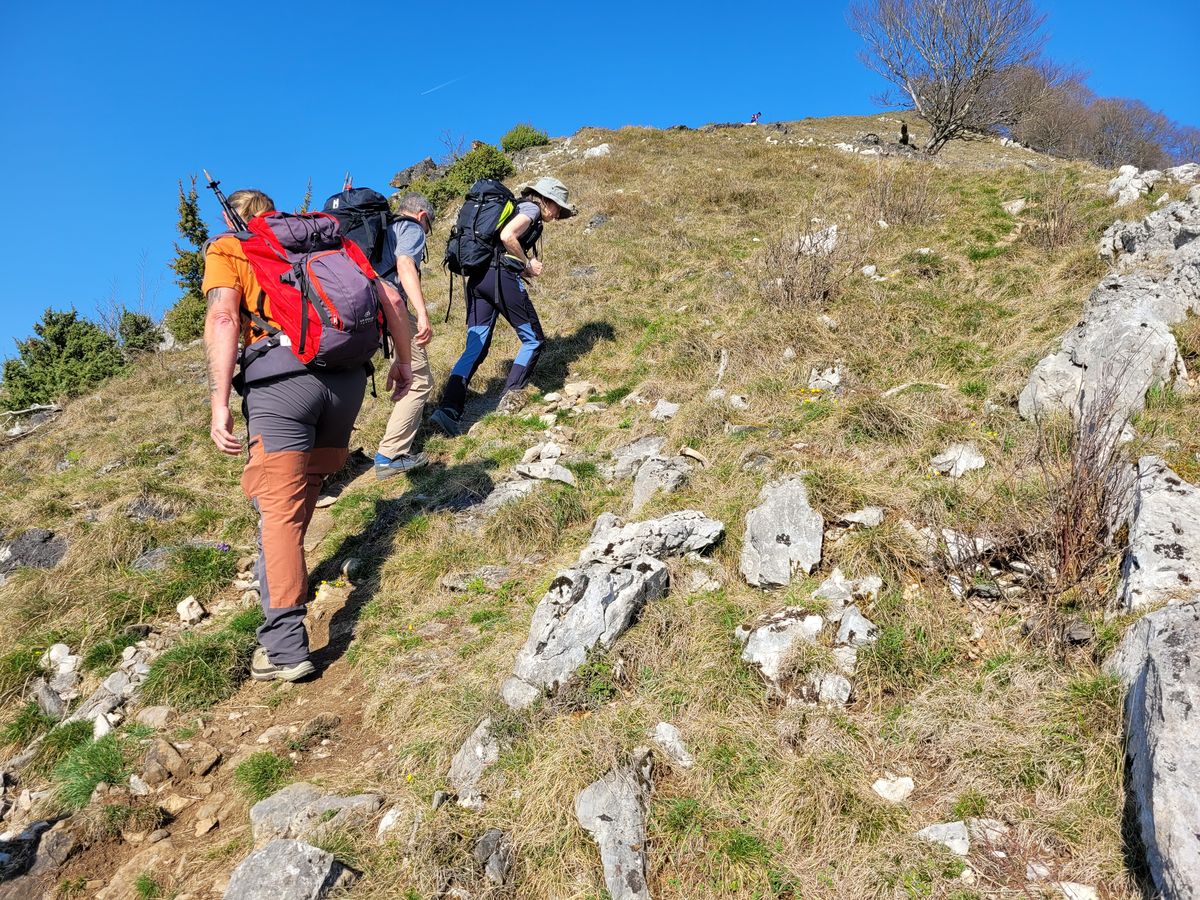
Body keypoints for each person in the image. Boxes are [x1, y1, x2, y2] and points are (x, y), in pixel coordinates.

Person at [203, 189, 413, 682]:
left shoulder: (230, 246)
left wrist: (219, 403)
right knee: (298, 498)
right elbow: (391, 297)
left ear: (234, 217)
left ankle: (283, 648)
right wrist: (403, 361)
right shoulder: (329, 239)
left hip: (281, 384)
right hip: (346, 382)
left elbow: (223, 316)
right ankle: (283, 578)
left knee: (277, 512)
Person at [430, 176, 577, 435]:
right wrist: (527, 264)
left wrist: (521, 267)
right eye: (557, 208)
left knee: (476, 346)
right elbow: (507, 236)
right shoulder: (531, 209)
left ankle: (448, 409)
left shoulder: (514, 208)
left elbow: (500, 242)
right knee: (534, 340)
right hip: (499, 278)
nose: (557, 215)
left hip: (477, 280)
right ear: (546, 200)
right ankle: (508, 404)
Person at [372, 192, 436, 479]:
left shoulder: (381, 230)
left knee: (405, 370)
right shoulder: (410, 227)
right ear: (422, 215)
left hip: (366, 310)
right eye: (428, 226)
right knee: (419, 380)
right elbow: (405, 264)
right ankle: (390, 455)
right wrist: (422, 312)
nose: (426, 232)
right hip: (391, 308)